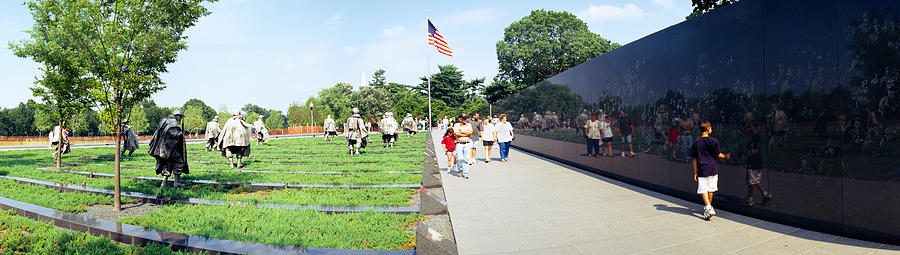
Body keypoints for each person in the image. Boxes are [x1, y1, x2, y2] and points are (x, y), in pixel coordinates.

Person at [691, 121, 731, 220]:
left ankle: (708, 208)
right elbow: (719, 154)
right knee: (710, 189)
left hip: (702, 169)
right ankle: (708, 207)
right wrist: (726, 156)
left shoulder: (696, 143)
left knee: (703, 189)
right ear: (708, 129)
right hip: (712, 168)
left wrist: (695, 172)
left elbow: (694, 159)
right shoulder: (714, 141)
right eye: (711, 127)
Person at [148, 109, 189, 188]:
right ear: (177, 116)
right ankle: (177, 182)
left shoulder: (165, 120)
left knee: (167, 163)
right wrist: (181, 134)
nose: (180, 119)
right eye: (180, 117)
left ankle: (164, 183)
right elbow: (173, 134)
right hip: (171, 148)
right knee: (179, 162)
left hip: (163, 148)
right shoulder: (174, 124)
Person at [746, 123, 773, 206]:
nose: (748, 129)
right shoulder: (756, 137)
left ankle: (751, 199)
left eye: (749, 127)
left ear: (754, 127)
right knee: (755, 180)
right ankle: (765, 194)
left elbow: (756, 150)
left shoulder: (755, 138)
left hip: (753, 162)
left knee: (752, 181)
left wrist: (747, 154)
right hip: (758, 162)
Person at [451, 114, 474, 179]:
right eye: (464, 118)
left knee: (466, 158)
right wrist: (465, 133)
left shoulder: (469, 125)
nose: (465, 120)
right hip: (459, 143)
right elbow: (456, 133)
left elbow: (470, 132)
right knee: (459, 158)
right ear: (460, 119)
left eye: (466, 118)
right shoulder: (456, 125)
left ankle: (465, 173)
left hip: (467, 143)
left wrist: (462, 132)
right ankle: (460, 169)